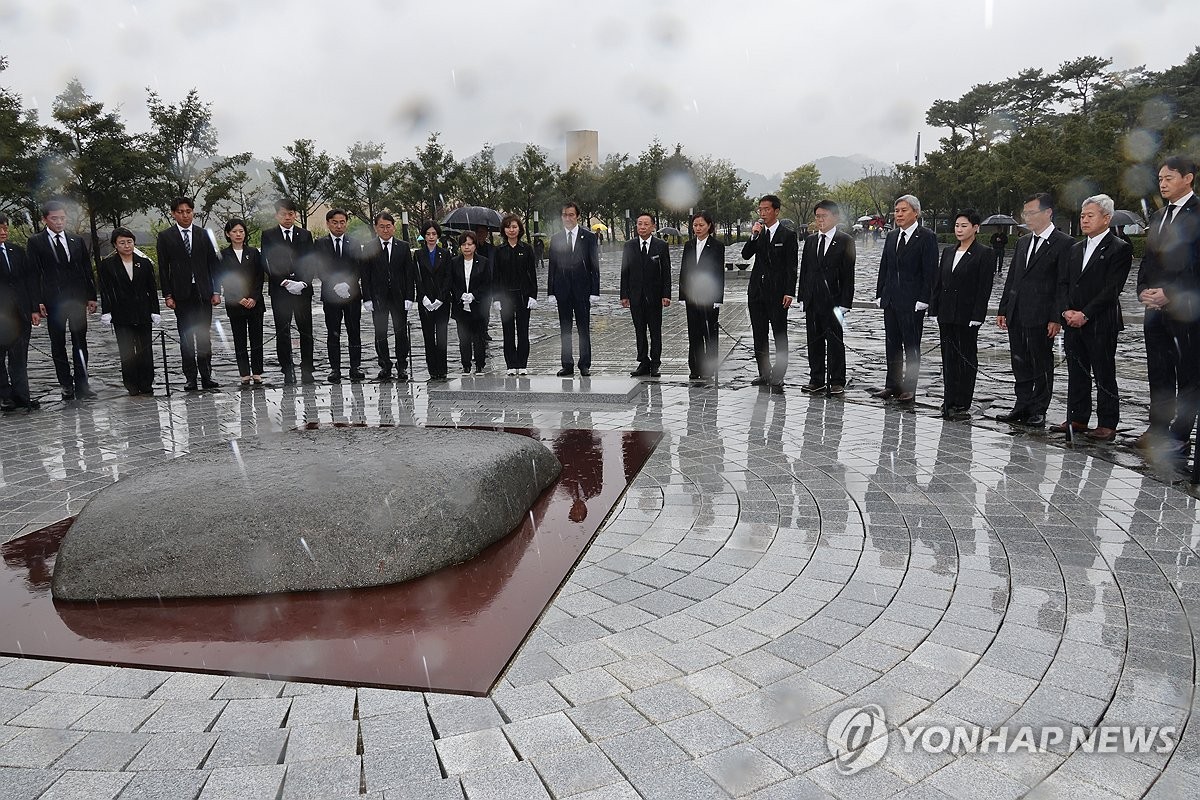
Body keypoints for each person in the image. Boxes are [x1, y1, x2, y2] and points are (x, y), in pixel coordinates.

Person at [1053, 194, 1133, 442]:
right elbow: (1063, 283)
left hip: (1100, 321)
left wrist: (1086, 313)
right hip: (1072, 321)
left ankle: (1108, 422)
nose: (1084, 220)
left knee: (1103, 372)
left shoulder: (1120, 248)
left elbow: (1112, 289)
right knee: (1077, 371)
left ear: (1106, 218)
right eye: (1082, 216)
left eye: (1090, 216)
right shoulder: (1075, 248)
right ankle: (1078, 417)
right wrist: (1066, 310)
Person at [1137, 156, 1200, 461]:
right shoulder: (1158, 217)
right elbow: (1149, 260)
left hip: (1187, 309)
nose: (1162, 183)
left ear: (1188, 178)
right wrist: (1143, 290)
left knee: (1188, 374)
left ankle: (1180, 435)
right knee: (1159, 371)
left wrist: (1171, 294)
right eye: (1160, 178)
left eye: (1169, 178)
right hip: (1155, 309)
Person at [995, 193, 1073, 427]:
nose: (1026, 217)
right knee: (1019, 361)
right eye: (1024, 213)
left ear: (1048, 213)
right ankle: (1022, 404)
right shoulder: (1023, 242)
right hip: (1017, 312)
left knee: (1041, 361)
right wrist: (1004, 308)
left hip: (1042, 314)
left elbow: (1063, 284)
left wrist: (1056, 316)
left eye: (1031, 213)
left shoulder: (1064, 243)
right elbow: (1013, 278)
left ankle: (1039, 407)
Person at [26, 201, 97, 401]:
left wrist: (91, 295)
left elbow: (86, 269)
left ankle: (82, 383)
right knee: (57, 343)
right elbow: (33, 274)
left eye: (62, 218)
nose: (59, 222)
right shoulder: (36, 242)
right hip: (52, 301)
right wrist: (36, 301)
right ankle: (65, 383)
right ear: (45, 219)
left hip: (76, 299)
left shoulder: (76, 240)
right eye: (54, 218)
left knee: (80, 342)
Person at [930, 210, 994, 420]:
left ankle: (962, 400)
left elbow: (984, 288)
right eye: (957, 225)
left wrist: (978, 314)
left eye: (964, 225)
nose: (959, 229)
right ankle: (949, 398)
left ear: (975, 227)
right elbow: (938, 282)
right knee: (948, 357)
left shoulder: (984, 253)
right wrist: (934, 308)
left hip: (967, 314)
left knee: (965, 357)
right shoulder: (948, 251)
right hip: (946, 313)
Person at [873, 194, 937, 402]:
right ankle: (892, 385)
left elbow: (930, 271)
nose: (898, 214)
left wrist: (924, 298)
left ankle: (910, 387)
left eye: (903, 210)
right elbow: (885, 266)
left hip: (912, 301)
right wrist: (880, 292)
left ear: (915, 213)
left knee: (911, 346)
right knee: (892, 344)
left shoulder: (926, 236)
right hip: (891, 299)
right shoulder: (892, 236)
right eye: (897, 210)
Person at [156, 196, 221, 392]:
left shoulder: (203, 234)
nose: (185, 215)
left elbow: (213, 265)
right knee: (186, 337)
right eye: (180, 212)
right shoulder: (166, 236)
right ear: (174, 214)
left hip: (203, 292)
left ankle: (206, 375)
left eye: (188, 211)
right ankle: (190, 377)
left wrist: (216, 291)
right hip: (181, 294)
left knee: (204, 337)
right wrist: (167, 295)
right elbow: (163, 267)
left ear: (193, 212)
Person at [797, 200, 855, 395]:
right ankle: (817, 378)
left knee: (835, 341)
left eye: (824, 216)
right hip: (813, 300)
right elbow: (805, 270)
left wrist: (846, 303)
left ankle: (837, 379)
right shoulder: (811, 240)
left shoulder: (845, 240)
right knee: (814, 340)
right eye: (818, 216)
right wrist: (803, 296)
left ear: (835, 217)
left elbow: (848, 275)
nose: (820, 220)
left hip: (835, 301)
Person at [740, 195, 798, 388]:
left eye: (766, 209)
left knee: (779, 333)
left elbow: (792, 267)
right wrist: (753, 236)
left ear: (776, 211)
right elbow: (746, 254)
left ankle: (779, 374)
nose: (763, 213)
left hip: (778, 293)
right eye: (760, 209)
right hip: (757, 292)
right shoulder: (759, 233)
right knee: (759, 333)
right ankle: (764, 373)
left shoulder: (787, 235)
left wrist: (789, 291)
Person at [97, 228, 160, 396]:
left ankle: (146, 382)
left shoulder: (144, 263)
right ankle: (131, 384)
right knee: (127, 350)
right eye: (122, 243)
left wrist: (155, 310)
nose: (127, 246)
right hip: (121, 313)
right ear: (115, 245)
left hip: (142, 312)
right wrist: (107, 311)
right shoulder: (107, 265)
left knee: (145, 349)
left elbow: (152, 289)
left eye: (129, 242)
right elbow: (105, 290)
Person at [260, 198, 316, 385]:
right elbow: (266, 262)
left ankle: (307, 368)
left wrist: (304, 283)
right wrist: (283, 281)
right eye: (283, 214)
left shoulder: (305, 234)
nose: (287, 217)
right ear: (277, 215)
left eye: (291, 214)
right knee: (283, 331)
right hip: (280, 290)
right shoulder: (268, 235)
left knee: (305, 330)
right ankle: (287, 368)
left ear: (296, 215)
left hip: (302, 290)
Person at [360, 212, 415, 381]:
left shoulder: (403, 246)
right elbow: (365, 274)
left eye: (388, 226)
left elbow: (409, 273)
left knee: (400, 333)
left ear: (394, 227)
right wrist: (367, 297)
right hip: (378, 297)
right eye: (381, 226)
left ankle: (401, 365)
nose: (385, 230)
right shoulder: (369, 247)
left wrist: (409, 296)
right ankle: (385, 364)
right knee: (380, 332)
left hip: (399, 296)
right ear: (376, 228)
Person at [547, 202, 600, 377]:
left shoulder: (589, 237)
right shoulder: (556, 238)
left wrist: (595, 291)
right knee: (565, 329)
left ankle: (584, 364)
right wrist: (551, 291)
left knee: (583, 328)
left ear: (577, 216)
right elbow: (552, 267)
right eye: (564, 215)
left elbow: (594, 266)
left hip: (582, 290)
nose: (568, 218)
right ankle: (567, 364)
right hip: (563, 290)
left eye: (571, 215)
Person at [314, 208, 364, 384]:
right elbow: (320, 268)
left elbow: (359, 267)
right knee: (333, 332)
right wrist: (334, 284)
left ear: (346, 223)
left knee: (354, 331)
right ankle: (335, 368)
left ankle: (355, 367)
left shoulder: (355, 243)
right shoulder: (320, 244)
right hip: (330, 294)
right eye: (335, 222)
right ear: (328, 223)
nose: (339, 225)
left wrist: (347, 284)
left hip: (352, 294)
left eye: (342, 222)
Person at [620, 213, 671, 378]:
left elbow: (666, 272)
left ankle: (655, 363)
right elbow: (625, 272)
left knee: (655, 331)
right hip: (635, 296)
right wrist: (624, 295)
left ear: (653, 226)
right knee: (639, 330)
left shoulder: (661, 246)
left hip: (655, 296)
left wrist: (666, 294)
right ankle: (643, 361)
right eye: (639, 224)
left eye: (646, 224)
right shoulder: (629, 246)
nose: (642, 227)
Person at [218, 219, 266, 386]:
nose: (238, 234)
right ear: (227, 234)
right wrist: (239, 298)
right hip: (235, 303)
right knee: (239, 339)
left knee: (256, 338)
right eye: (234, 232)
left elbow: (259, 277)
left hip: (255, 303)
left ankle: (258, 372)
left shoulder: (253, 253)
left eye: (241, 231)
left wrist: (253, 297)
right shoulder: (223, 255)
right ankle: (244, 373)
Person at [0, 214, 41, 412]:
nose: (3, 232)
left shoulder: (16, 251)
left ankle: (22, 396)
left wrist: (33, 308)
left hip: (20, 314)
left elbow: (29, 281)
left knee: (19, 358)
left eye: (5, 228)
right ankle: (4, 396)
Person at [679, 210, 725, 381]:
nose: (697, 228)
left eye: (701, 225)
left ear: (709, 226)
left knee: (710, 334)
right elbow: (684, 271)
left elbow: (719, 273)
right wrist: (683, 295)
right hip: (692, 297)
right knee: (694, 333)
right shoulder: (688, 245)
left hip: (709, 297)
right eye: (695, 225)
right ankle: (695, 367)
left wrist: (718, 298)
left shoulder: (717, 246)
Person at [493, 214, 537, 375]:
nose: (511, 230)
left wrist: (533, 295)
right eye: (508, 227)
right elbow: (496, 276)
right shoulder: (499, 251)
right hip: (505, 297)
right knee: (508, 331)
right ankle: (511, 364)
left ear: (519, 229)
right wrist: (496, 297)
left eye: (514, 227)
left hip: (523, 295)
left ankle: (522, 363)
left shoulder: (526, 249)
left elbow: (532, 274)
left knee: (523, 330)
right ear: (504, 230)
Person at [415, 221, 452, 381]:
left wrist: (440, 298)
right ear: (424, 235)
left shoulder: (445, 254)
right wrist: (423, 297)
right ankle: (432, 369)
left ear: (438, 236)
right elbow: (417, 278)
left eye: (434, 234)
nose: (431, 237)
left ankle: (442, 368)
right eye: (428, 234)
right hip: (425, 301)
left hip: (442, 301)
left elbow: (448, 278)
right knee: (428, 335)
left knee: (442, 335)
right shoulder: (418, 254)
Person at [449, 231, 491, 374]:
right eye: (463, 244)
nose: (467, 247)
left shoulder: (484, 262)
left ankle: (480, 364)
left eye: (470, 244)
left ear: (475, 245)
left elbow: (486, 283)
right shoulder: (454, 262)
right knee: (464, 337)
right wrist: (460, 295)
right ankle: (466, 364)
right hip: (461, 306)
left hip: (478, 305)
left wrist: (474, 295)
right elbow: (451, 283)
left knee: (479, 337)